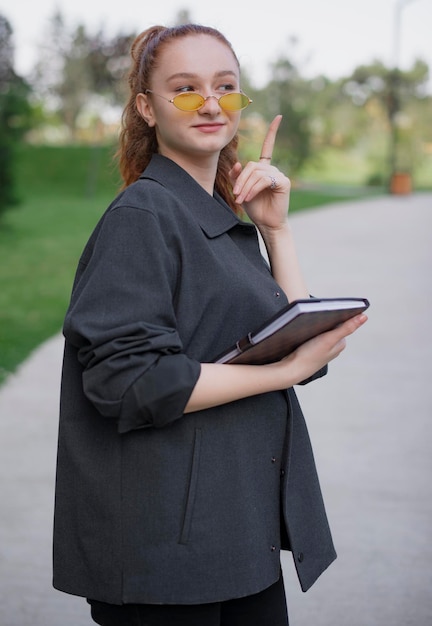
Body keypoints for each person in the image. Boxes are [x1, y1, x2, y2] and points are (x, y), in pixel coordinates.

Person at [52, 23, 368, 626]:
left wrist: (276, 229)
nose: (212, 104)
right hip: (166, 553)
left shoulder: (219, 218)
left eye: (226, 87)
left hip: (232, 531)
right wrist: (283, 372)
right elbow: (131, 381)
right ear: (146, 107)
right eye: (186, 89)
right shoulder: (143, 217)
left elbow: (301, 343)